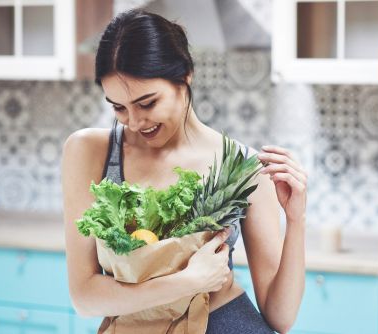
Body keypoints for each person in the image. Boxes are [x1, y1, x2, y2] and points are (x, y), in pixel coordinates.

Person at [61, 8, 306, 334]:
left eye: (148, 103)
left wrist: (296, 219)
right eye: (118, 107)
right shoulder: (90, 152)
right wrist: (187, 282)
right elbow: (84, 298)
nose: (134, 122)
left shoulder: (241, 166)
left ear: (185, 75)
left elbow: (280, 317)